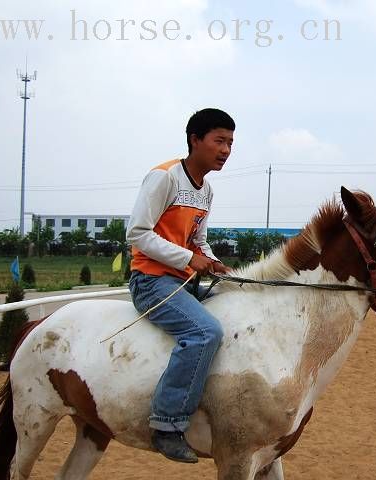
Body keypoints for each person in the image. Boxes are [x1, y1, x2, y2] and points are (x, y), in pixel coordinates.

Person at [126, 108, 234, 463]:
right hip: (152, 281)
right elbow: (138, 234)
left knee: (236, 305)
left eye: (230, 143)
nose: (226, 150)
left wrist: (213, 261)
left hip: (182, 280)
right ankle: (167, 425)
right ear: (195, 140)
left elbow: (198, 240)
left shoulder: (207, 191)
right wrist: (187, 259)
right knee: (205, 332)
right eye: (219, 141)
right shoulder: (164, 177)